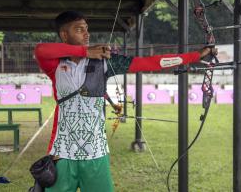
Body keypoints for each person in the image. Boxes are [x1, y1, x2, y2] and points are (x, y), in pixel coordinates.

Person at [34, 11, 217, 192]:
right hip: (62, 154)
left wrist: (196, 55)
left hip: (95, 152)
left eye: (86, 29)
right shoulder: (55, 65)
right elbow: (40, 50)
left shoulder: (105, 62)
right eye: (79, 29)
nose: (87, 34)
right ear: (65, 35)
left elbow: (152, 62)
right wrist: (85, 51)